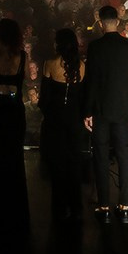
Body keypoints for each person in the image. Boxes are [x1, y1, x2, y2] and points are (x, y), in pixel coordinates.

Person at [83, 4, 128, 223]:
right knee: (124, 154)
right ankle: (124, 203)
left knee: (101, 154)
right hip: (122, 105)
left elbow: (92, 81)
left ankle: (104, 203)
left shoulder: (95, 47)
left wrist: (87, 111)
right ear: (117, 21)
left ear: (100, 22)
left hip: (101, 107)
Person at [0, 17, 30, 236]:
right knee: (14, 160)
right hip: (14, 111)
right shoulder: (23, 57)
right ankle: (16, 213)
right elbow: (27, 79)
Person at [39, 28, 86, 224]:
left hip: (55, 120)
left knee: (57, 166)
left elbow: (44, 98)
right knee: (74, 164)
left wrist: (48, 114)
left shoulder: (49, 64)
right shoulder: (82, 66)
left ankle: (59, 209)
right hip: (74, 120)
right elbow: (82, 96)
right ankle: (76, 208)